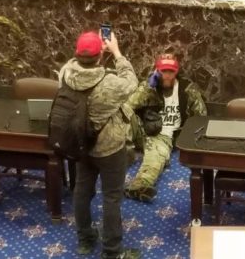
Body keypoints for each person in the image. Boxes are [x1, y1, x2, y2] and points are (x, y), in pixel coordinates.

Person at [60, 30, 141, 258]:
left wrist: (93, 50)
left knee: (82, 191)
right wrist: (116, 52)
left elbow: (78, 66)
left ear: (77, 53)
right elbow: (132, 82)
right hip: (109, 148)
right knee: (111, 197)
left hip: (80, 144)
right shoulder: (110, 83)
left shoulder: (66, 73)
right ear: (99, 57)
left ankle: (85, 240)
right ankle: (112, 251)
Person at [123, 54, 207, 202]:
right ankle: (119, 155)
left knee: (155, 157)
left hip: (162, 135)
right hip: (143, 129)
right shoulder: (150, 87)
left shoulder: (187, 89)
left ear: (177, 72)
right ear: (157, 71)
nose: (167, 75)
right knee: (122, 114)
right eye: (163, 71)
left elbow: (201, 117)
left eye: (171, 71)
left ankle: (139, 186)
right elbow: (129, 105)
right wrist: (149, 87)